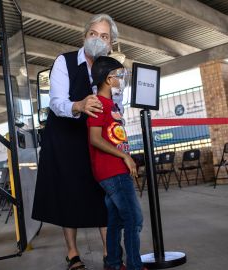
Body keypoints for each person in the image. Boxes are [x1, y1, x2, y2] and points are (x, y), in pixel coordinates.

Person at [32, 14, 121, 270]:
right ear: (85, 36)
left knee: (104, 193)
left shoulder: (112, 69)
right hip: (65, 136)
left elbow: (118, 105)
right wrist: (80, 105)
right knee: (68, 195)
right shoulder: (65, 61)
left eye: (104, 36)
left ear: (111, 43)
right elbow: (56, 101)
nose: (98, 39)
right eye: (94, 33)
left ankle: (109, 252)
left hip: (96, 138)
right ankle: (72, 253)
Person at [87, 56, 146, 270]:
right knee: (134, 219)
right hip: (112, 171)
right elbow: (95, 138)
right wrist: (124, 156)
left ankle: (112, 263)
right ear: (109, 79)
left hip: (117, 169)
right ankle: (134, 266)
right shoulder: (98, 103)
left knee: (116, 220)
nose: (122, 79)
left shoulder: (111, 104)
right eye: (119, 75)